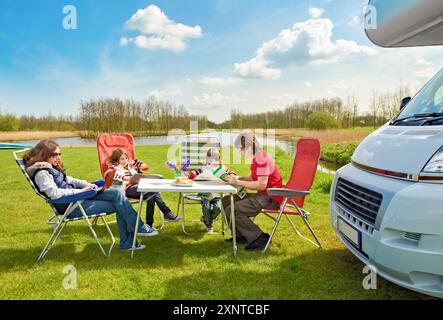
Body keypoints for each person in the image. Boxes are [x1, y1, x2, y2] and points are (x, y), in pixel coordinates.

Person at [24, 140, 152, 251]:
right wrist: (82, 191)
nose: (58, 157)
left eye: (59, 154)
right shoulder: (41, 173)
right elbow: (54, 194)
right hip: (71, 206)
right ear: (44, 154)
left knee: (117, 194)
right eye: (54, 154)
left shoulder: (51, 167)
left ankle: (132, 237)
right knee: (120, 202)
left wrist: (87, 184)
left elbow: (69, 180)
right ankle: (134, 234)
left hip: (79, 199)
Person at [222, 130, 283, 251]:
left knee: (234, 209)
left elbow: (261, 185)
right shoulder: (257, 159)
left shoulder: (262, 159)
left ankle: (260, 237)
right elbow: (253, 178)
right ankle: (242, 235)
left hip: (271, 198)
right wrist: (237, 177)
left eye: (241, 149)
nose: (240, 152)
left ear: (249, 146)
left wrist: (237, 182)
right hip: (263, 196)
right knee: (226, 201)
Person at [105, 148, 179, 233]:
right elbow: (110, 179)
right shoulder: (114, 168)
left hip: (139, 186)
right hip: (127, 189)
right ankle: (167, 212)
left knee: (151, 195)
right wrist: (127, 180)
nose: (125, 161)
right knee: (151, 191)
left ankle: (148, 225)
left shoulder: (131, 166)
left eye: (126, 158)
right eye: (122, 159)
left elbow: (146, 168)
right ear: (117, 160)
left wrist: (137, 163)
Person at [183, 148, 234, 234]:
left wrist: (232, 175)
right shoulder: (204, 168)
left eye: (216, 157)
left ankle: (206, 218)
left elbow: (231, 173)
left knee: (218, 208)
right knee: (206, 208)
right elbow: (194, 173)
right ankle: (209, 225)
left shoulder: (222, 168)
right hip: (205, 193)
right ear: (207, 159)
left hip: (218, 194)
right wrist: (186, 174)